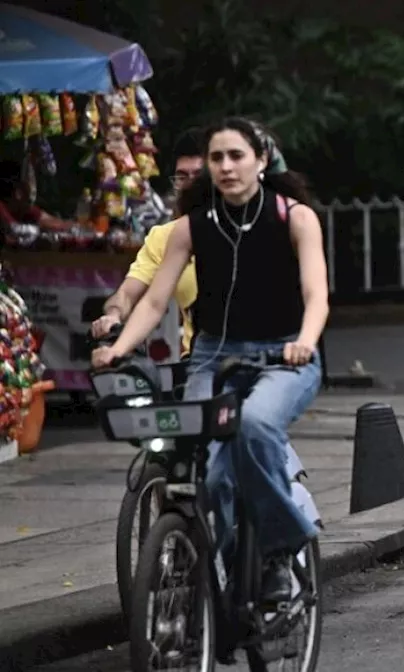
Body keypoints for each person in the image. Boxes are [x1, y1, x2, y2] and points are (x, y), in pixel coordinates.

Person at [91, 117, 328, 605]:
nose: (226, 167)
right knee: (208, 473)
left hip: (284, 357)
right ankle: (228, 570)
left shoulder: (295, 217)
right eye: (217, 158)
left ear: (261, 161)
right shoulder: (188, 229)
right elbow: (154, 302)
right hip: (212, 359)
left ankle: (283, 547)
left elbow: (317, 295)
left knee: (256, 425)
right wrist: (117, 347)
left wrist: (304, 340)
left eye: (236, 156)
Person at [92, 127, 204, 354]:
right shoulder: (164, 237)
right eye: (182, 177)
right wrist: (112, 316)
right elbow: (135, 297)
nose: (190, 185)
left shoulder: (243, 225)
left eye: (199, 177)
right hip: (198, 361)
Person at [0, 160, 72, 231]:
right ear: (19, 193)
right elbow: (14, 231)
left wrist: (73, 225)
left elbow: (49, 220)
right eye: (31, 181)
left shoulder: (23, 207)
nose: (35, 187)